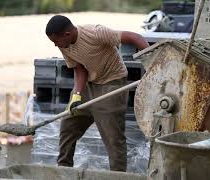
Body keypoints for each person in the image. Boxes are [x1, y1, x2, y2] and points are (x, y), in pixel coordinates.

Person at [45, 15, 149, 171]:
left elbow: (134, 37)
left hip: (111, 84)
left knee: (113, 138)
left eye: (56, 42)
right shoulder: (64, 44)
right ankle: (64, 169)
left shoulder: (95, 33)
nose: (55, 46)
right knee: (68, 124)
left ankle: (117, 175)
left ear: (66, 34)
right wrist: (77, 95)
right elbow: (79, 69)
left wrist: (153, 64)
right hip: (88, 84)